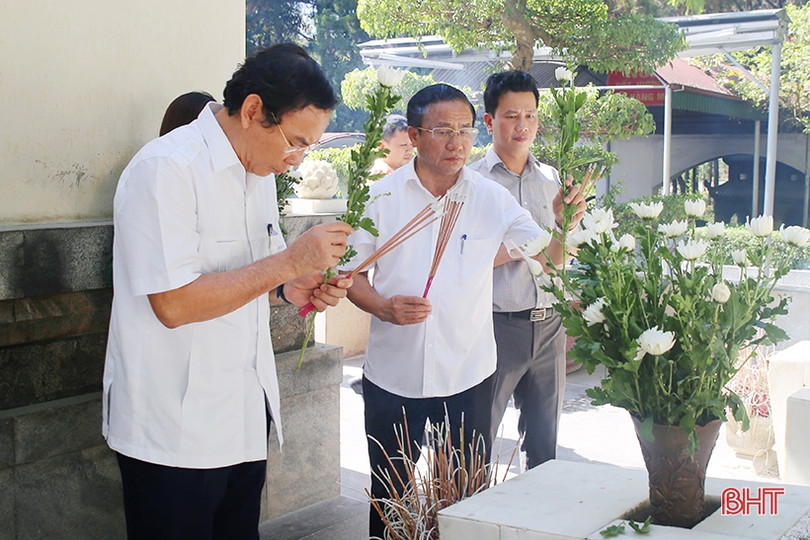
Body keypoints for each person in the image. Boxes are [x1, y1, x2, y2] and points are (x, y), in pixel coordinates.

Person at [103, 44, 354, 540]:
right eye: (295, 142)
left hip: (243, 415)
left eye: (308, 148)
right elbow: (173, 304)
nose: (296, 160)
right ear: (254, 110)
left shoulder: (257, 171)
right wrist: (288, 263)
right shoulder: (166, 168)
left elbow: (256, 279)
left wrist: (296, 288)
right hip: (173, 429)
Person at [342, 83, 587, 538]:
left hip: (467, 376)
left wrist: (562, 225)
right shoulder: (381, 197)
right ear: (414, 135)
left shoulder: (490, 198)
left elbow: (549, 261)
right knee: (391, 496)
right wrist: (382, 307)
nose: (456, 143)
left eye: (464, 130)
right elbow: (348, 274)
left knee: (463, 499)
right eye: (442, 131)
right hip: (394, 374)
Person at [468, 70, 568, 470]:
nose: (522, 125)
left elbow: (556, 260)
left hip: (549, 325)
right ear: (489, 120)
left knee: (545, 446)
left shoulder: (550, 179)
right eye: (511, 116)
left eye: (530, 116)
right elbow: (458, 258)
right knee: (475, 440)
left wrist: (565, 225)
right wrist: (516, 249)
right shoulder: (471, 182)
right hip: (495, 324)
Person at [368, 113, 414, 177]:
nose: (410, 151)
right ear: (382, 145)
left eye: (412, 145)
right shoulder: (381, 179)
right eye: (404, 145)